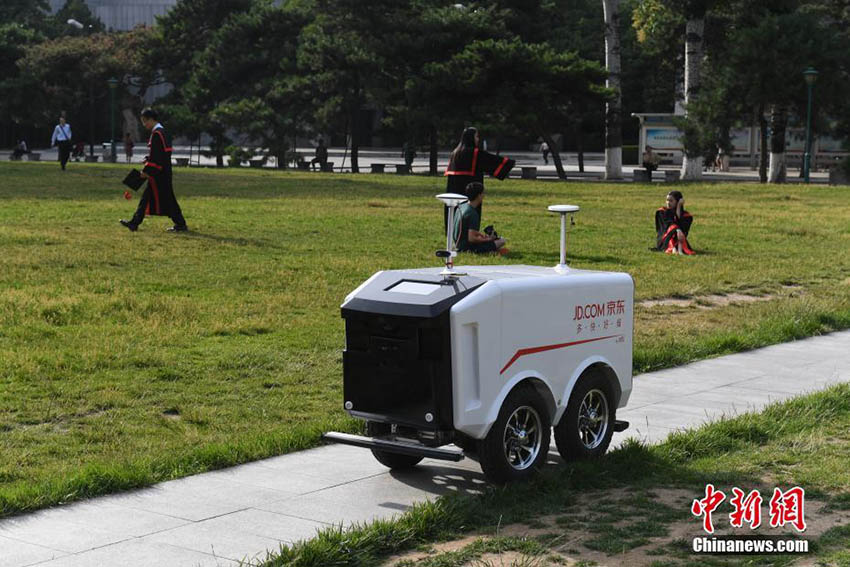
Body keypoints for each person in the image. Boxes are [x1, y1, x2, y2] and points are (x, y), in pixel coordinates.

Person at [120, 108, 188, 233]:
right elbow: (161, 154)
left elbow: (157, 156)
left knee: (168, 199)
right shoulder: (163, 131)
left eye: (145, 121)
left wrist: (147, 170)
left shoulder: (157, 133)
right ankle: (134, 223)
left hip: (159, 173)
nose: (144, 124)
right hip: (163, 171)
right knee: (148, 198)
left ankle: (181, 224)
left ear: (151, 119)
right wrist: (148, 160)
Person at [444, 127, 515, 226]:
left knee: (455, 217)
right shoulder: (475, 153)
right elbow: (491, 160)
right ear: (471, 138)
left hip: (454, 191)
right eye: (476, 136)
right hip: (471, 192)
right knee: (470, 218)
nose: (478, 139)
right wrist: (509, 163)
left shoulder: (455, 153)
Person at [453, 182, 508, 255]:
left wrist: (481, 235)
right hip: (466, 248)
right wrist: (488, 239)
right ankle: (491, 251)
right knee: (502, 241)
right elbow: (471, 238)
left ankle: (492, 250)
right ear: (479, 195)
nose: (484, 196)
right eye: (483, 193)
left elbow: (464, 229)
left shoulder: (461, 206)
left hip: (457, 244)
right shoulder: (472, 213)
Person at [654, 190, 694, 255]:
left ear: (677, 202)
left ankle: (677, 249)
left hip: (679, 239)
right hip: (665, 239)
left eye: (671, 201)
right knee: (673, 231)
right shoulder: (662, 212)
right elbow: (668, 225)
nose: (668, 203)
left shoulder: (687, 216)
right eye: (667, 200)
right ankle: (673, 248)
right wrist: (677, 230)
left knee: (676, 231)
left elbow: (682, 227)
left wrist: (678, 207)